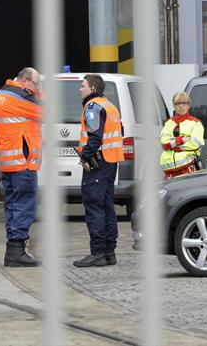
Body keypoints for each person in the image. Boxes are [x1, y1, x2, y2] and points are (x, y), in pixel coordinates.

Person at [0, 67, 43, 267]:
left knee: (13, 205)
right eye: (35, 83)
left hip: (9, 164)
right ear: (24, 80)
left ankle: (12, 250)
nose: (37, 87)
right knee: (24, 206)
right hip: (23, 163)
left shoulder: (1, 94)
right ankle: (16, 251)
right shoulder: (20, 97)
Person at [73, 74, 125, 268]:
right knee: (106, 206)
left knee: (94, 207)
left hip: (98, 164)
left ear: (92, 89)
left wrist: (85, 157)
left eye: (83, 85)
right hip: (110, 162)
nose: (80, 89)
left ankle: (97, 253)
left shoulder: (93, 107)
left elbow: (94, 137)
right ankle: (109, 252)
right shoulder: (110, 106)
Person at [160, 91, 205, 180]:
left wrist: (175, 146)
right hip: (170, 171)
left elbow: (195, 144)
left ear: (188, 105)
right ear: (173, 106)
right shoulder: (169, 123)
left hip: (188, 168)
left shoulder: (196, 123)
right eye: (177, 103)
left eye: (184, 103)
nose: (181, 106)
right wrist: (182, 139)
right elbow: (164, 142)